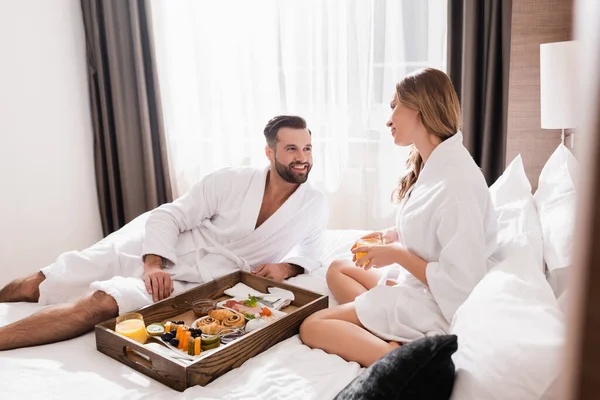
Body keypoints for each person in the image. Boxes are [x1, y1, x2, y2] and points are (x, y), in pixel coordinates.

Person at [0, 115, 328, 351]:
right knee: (36, 284)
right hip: (154, 251)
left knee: (100, 304)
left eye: (308, 149)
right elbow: (168, 216)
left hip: (193, 283)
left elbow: (312, 249)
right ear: (270, 153)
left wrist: (286, 268)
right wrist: (153, 264)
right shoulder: (230, 181)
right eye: (292, 149)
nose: (302, 159)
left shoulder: (313, 203)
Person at [299, 68, 499, 367]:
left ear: (420, 109)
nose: (388, 119)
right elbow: (432, 227)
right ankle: (380, 329)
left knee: (313, 326)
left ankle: (400, 359)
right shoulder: (437, 164)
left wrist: (397, 254)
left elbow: (462, 286)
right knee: (337, 269)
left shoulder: (458, 185)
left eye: (394, 106)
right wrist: (392, 235)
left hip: (436, 303)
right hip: (417, 286)